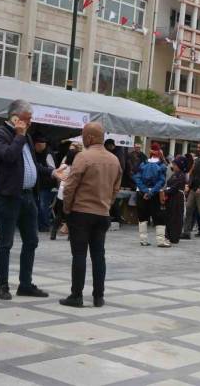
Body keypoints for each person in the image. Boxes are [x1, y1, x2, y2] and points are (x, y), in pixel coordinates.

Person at [0, 100, 61, 299]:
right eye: (27, 119)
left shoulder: (26, 137)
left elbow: (33, 166)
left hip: (28, 196)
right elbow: (9, 156)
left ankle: (25, 283)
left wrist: (53, 172)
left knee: (31, 240)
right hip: (9, 196)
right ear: (15, 117)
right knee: (6, 242)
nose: (29, 123)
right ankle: (2, 285)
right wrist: (19, 135)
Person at [60, 122, 122, 308]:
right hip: (102, 214)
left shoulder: (83, 157)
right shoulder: (114, 160)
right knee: (98, 255)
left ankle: (76, 296)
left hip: (81, 212)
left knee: (79, 255)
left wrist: (67, 209)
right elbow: (115, 189)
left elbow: (70, 186)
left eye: (84, 136)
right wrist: (106, 206)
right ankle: (98, 296)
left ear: (90, 138)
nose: (83, 139)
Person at [133, 144, 168, 247]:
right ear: (159, 152)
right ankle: (160, 241)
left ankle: (143, 240)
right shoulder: (161, 166)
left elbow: (137, 178)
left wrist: (145, 191)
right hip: (155, 193)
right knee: (159, 217)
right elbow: (161, 181)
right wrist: (151, 192)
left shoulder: (143, 164)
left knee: (142, 216)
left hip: (141, 193)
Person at [52, 143, 82, 240]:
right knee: (70, 214)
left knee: (59, 214)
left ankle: (53, 234)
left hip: (61, 191)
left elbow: (56, 172)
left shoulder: (64, 166)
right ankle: (70, 236)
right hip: (71, 193)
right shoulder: (76, 168)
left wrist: (60, 179)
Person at [33, 134, 57, 235]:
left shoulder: (48, 154)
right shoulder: (40, 152)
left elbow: (52, 170)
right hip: (41, 185)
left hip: (48, 186)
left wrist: (40, 168)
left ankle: (45, 226)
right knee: (41, 205)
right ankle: (42, 225)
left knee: (43, 205)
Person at [164, 156, 188, 244]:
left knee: (176, 217)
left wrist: (164, 191)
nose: (173, 166)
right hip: (171, 197)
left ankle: (174, 237)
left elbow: (174, 187)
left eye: (175, 165)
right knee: (170, 216)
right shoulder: (174, 174)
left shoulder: (181, 175)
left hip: (177, 198)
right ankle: (169, 235)